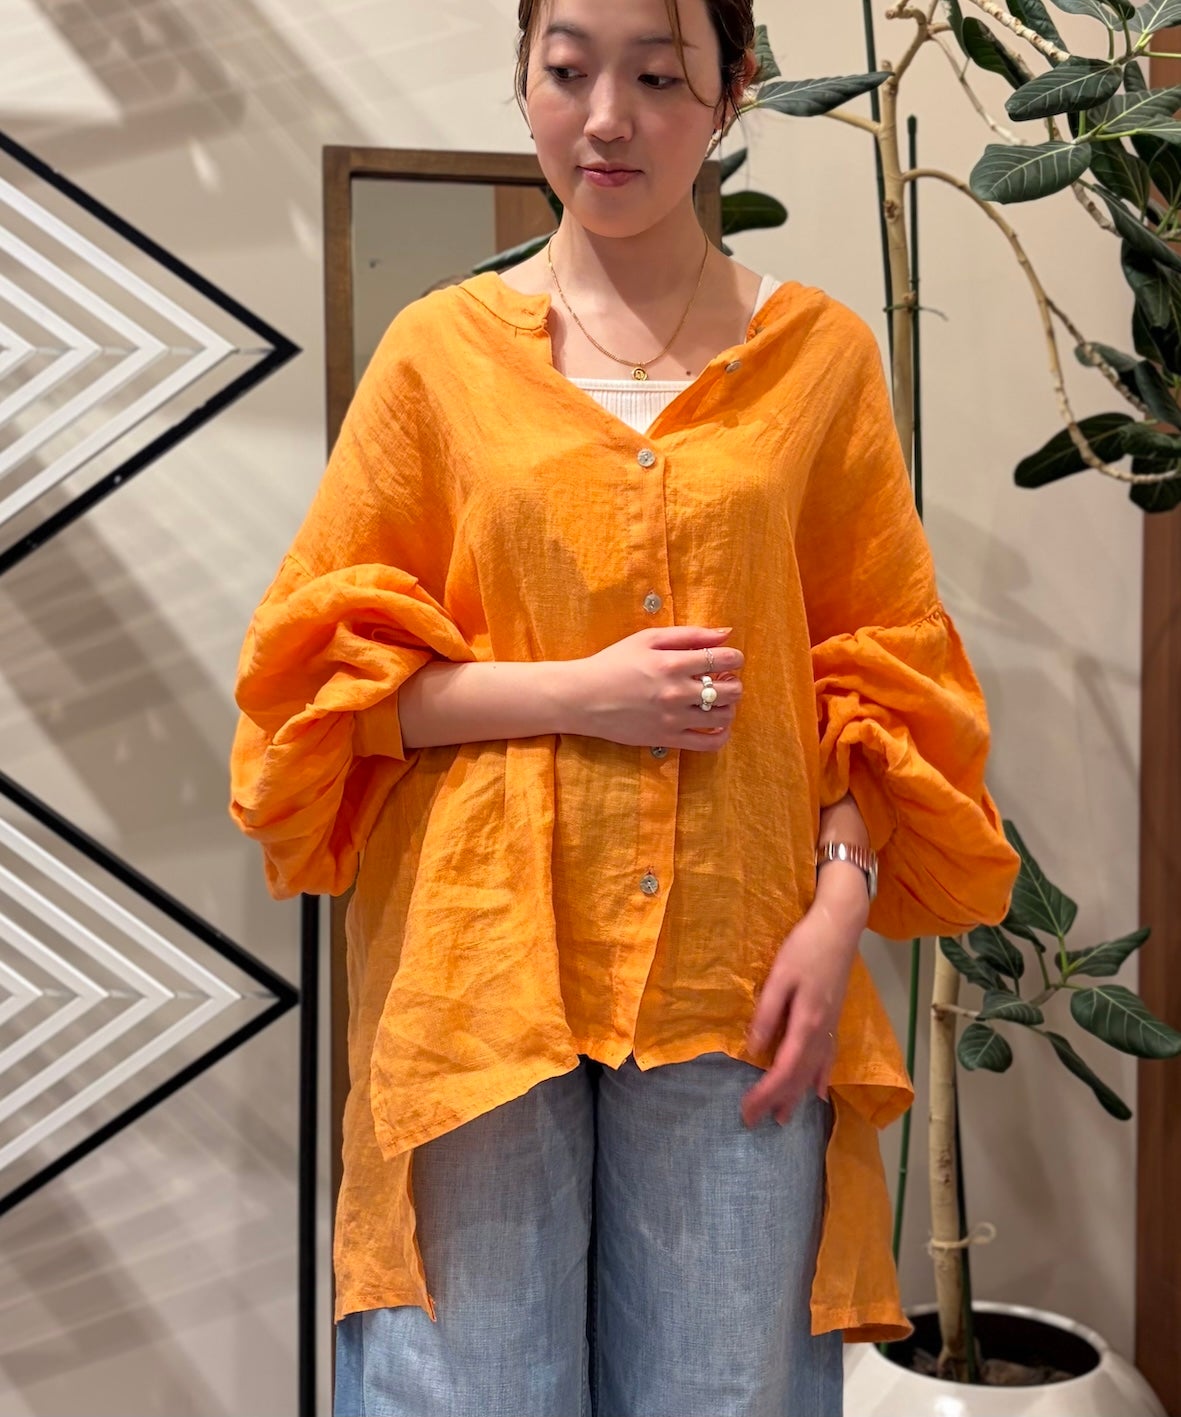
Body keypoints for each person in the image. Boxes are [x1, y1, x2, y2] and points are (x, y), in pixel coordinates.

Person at [228, 0, 1021, 1412]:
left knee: (726, 1386)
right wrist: (585, 693)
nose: (607, 118)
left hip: (738, 958)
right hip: (480, 964)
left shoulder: (819, 358)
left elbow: (879, 664)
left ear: (731, 90)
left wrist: (840, 904)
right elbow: (325, 696)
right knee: (466, 1388)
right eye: (567, 69)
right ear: (523, 78)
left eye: (658, 75)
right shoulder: (438, 356)